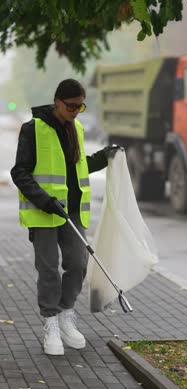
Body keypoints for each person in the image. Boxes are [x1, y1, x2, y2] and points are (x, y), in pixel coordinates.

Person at [11, 78, 122, 356]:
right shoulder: (33, 129)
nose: (76, 111)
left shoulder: (77, 128)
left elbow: (78, 167)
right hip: (44, 211)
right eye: (72, 106)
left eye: (81, 107)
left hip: (71, 211)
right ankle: (50, 323)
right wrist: (44, 200)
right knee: (48, 270)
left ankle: (65, 313)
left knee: (78, 263)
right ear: (57, 101)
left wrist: (105, 156)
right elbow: (19, 172)